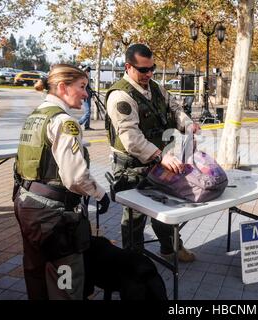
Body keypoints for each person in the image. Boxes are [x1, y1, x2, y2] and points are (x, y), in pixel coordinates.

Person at [13, 64, 110, 300]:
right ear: (63, 87)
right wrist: (100, 194)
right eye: (82, 86)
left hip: (28, 206)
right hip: (54, 217)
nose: (86, 93)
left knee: (36, 274)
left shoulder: (36, 116)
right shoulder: (64, 122)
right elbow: (76, 177)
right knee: (65, 282)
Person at [105, 44, 200, 262]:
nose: (149, 74)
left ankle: (171, 248)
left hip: (159, 160)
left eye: (152, 69)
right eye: (143, 70)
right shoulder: (121, 96)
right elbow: (132, 139)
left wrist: (187, 125)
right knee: (135, 217)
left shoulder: (155, 87)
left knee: (166, 206)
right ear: (128, 67)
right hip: (132, 165)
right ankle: (132, 264)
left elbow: (174, 108)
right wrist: (161, 156)